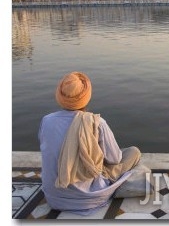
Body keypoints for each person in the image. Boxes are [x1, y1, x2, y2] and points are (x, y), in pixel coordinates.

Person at [38, 71, 146, 215]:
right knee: (133, 152)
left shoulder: (47, 121)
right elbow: (115, 159)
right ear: (86, 97)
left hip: (54, 198)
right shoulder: (97, 123)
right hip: (89, 198)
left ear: (60, 96)